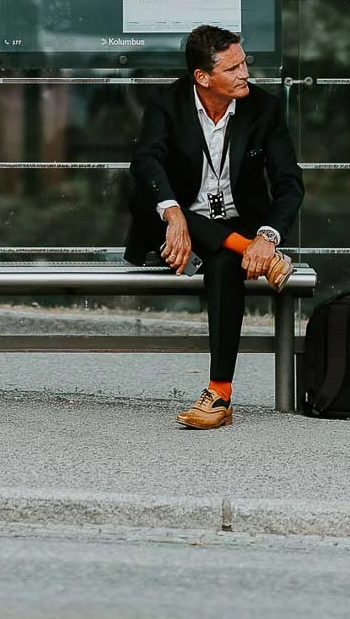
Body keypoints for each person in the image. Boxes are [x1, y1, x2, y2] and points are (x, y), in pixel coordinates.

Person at [126, 24, 305, 429]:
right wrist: (175, 215)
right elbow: (146, 161)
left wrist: (266, 238)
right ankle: (243, 248)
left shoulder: (263, 108)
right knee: (143, 197)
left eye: (244, 63)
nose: (245, 74)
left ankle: (219, 394)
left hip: (238, 227)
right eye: (233, 68)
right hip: (176, 230)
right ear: (203, 77)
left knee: (226, 265)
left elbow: (289, 182)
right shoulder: (166, 103)